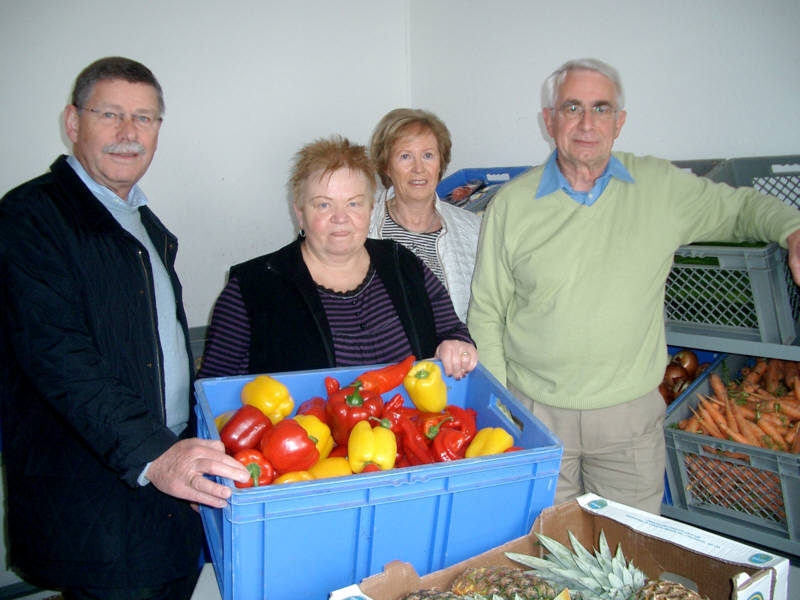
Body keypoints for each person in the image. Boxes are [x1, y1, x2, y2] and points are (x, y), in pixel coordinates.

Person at [467, 57, 800, 514]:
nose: (587, 123)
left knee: (629, 545)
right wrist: (506, 410)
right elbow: (487, 310)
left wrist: (792, 229)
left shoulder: (659, 188)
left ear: (619, 121)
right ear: (549, 120)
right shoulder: (512, 204)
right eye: (572, 108)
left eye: (601, 108)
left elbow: (742, 209)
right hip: (537, 414)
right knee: (545, 546)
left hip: (629, 422)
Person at [0, 57, 250, 599]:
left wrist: (191, 446)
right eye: (110, 114)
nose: (128, 133)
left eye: (144, 118)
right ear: (73, 122)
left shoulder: (144, 226)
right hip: (93, 495)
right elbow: (57, 355)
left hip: (161, 484)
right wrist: (158, 454)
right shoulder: (29, 217)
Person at [198, 135, 477, 380]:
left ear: (371, 208)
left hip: (407, 422)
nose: (340, 218)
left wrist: (457, 345)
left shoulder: (403, 263)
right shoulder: (250, 289)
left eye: (353, 203)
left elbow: (452, 329)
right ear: (300, 213)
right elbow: (211, 389)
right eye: (323, 205)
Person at [368, 108, 482, 324]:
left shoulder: (474, 230)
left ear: (440, 163)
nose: (418, 168)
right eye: (405, 156)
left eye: (428, 155)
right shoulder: (360, 225)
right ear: (386, 166)